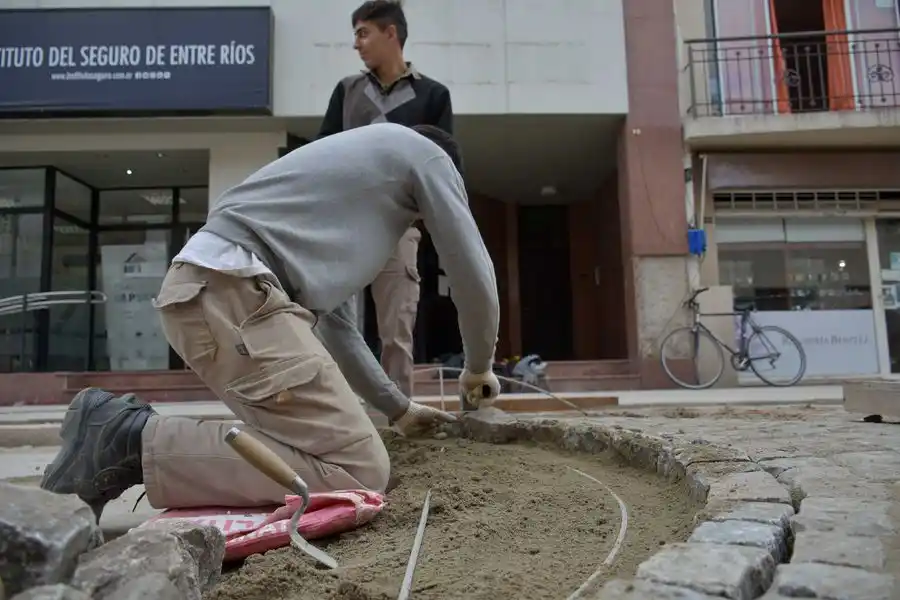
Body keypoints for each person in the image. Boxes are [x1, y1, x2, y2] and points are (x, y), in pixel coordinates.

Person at [39, 123, 501, 521]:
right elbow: (469, 268)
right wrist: (479, 365)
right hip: (235, 292)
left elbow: (335, 326)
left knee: (311, 447)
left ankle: (125, 441)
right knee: (358, 469)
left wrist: (398, 409)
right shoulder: (426, 155)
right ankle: (128, 440)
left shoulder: (341, 192)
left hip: (211, 294)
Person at [319, 0, 454, 398]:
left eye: (363, 33)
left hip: (398, 228)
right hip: (345, 228)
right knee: (331, 321)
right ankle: (340, 413)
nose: (357, 44)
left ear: (390, 33)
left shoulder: (432, 95)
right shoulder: (347, 92)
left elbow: (443, 166)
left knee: (396, 330)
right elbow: (322, 155)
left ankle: (398, 420)